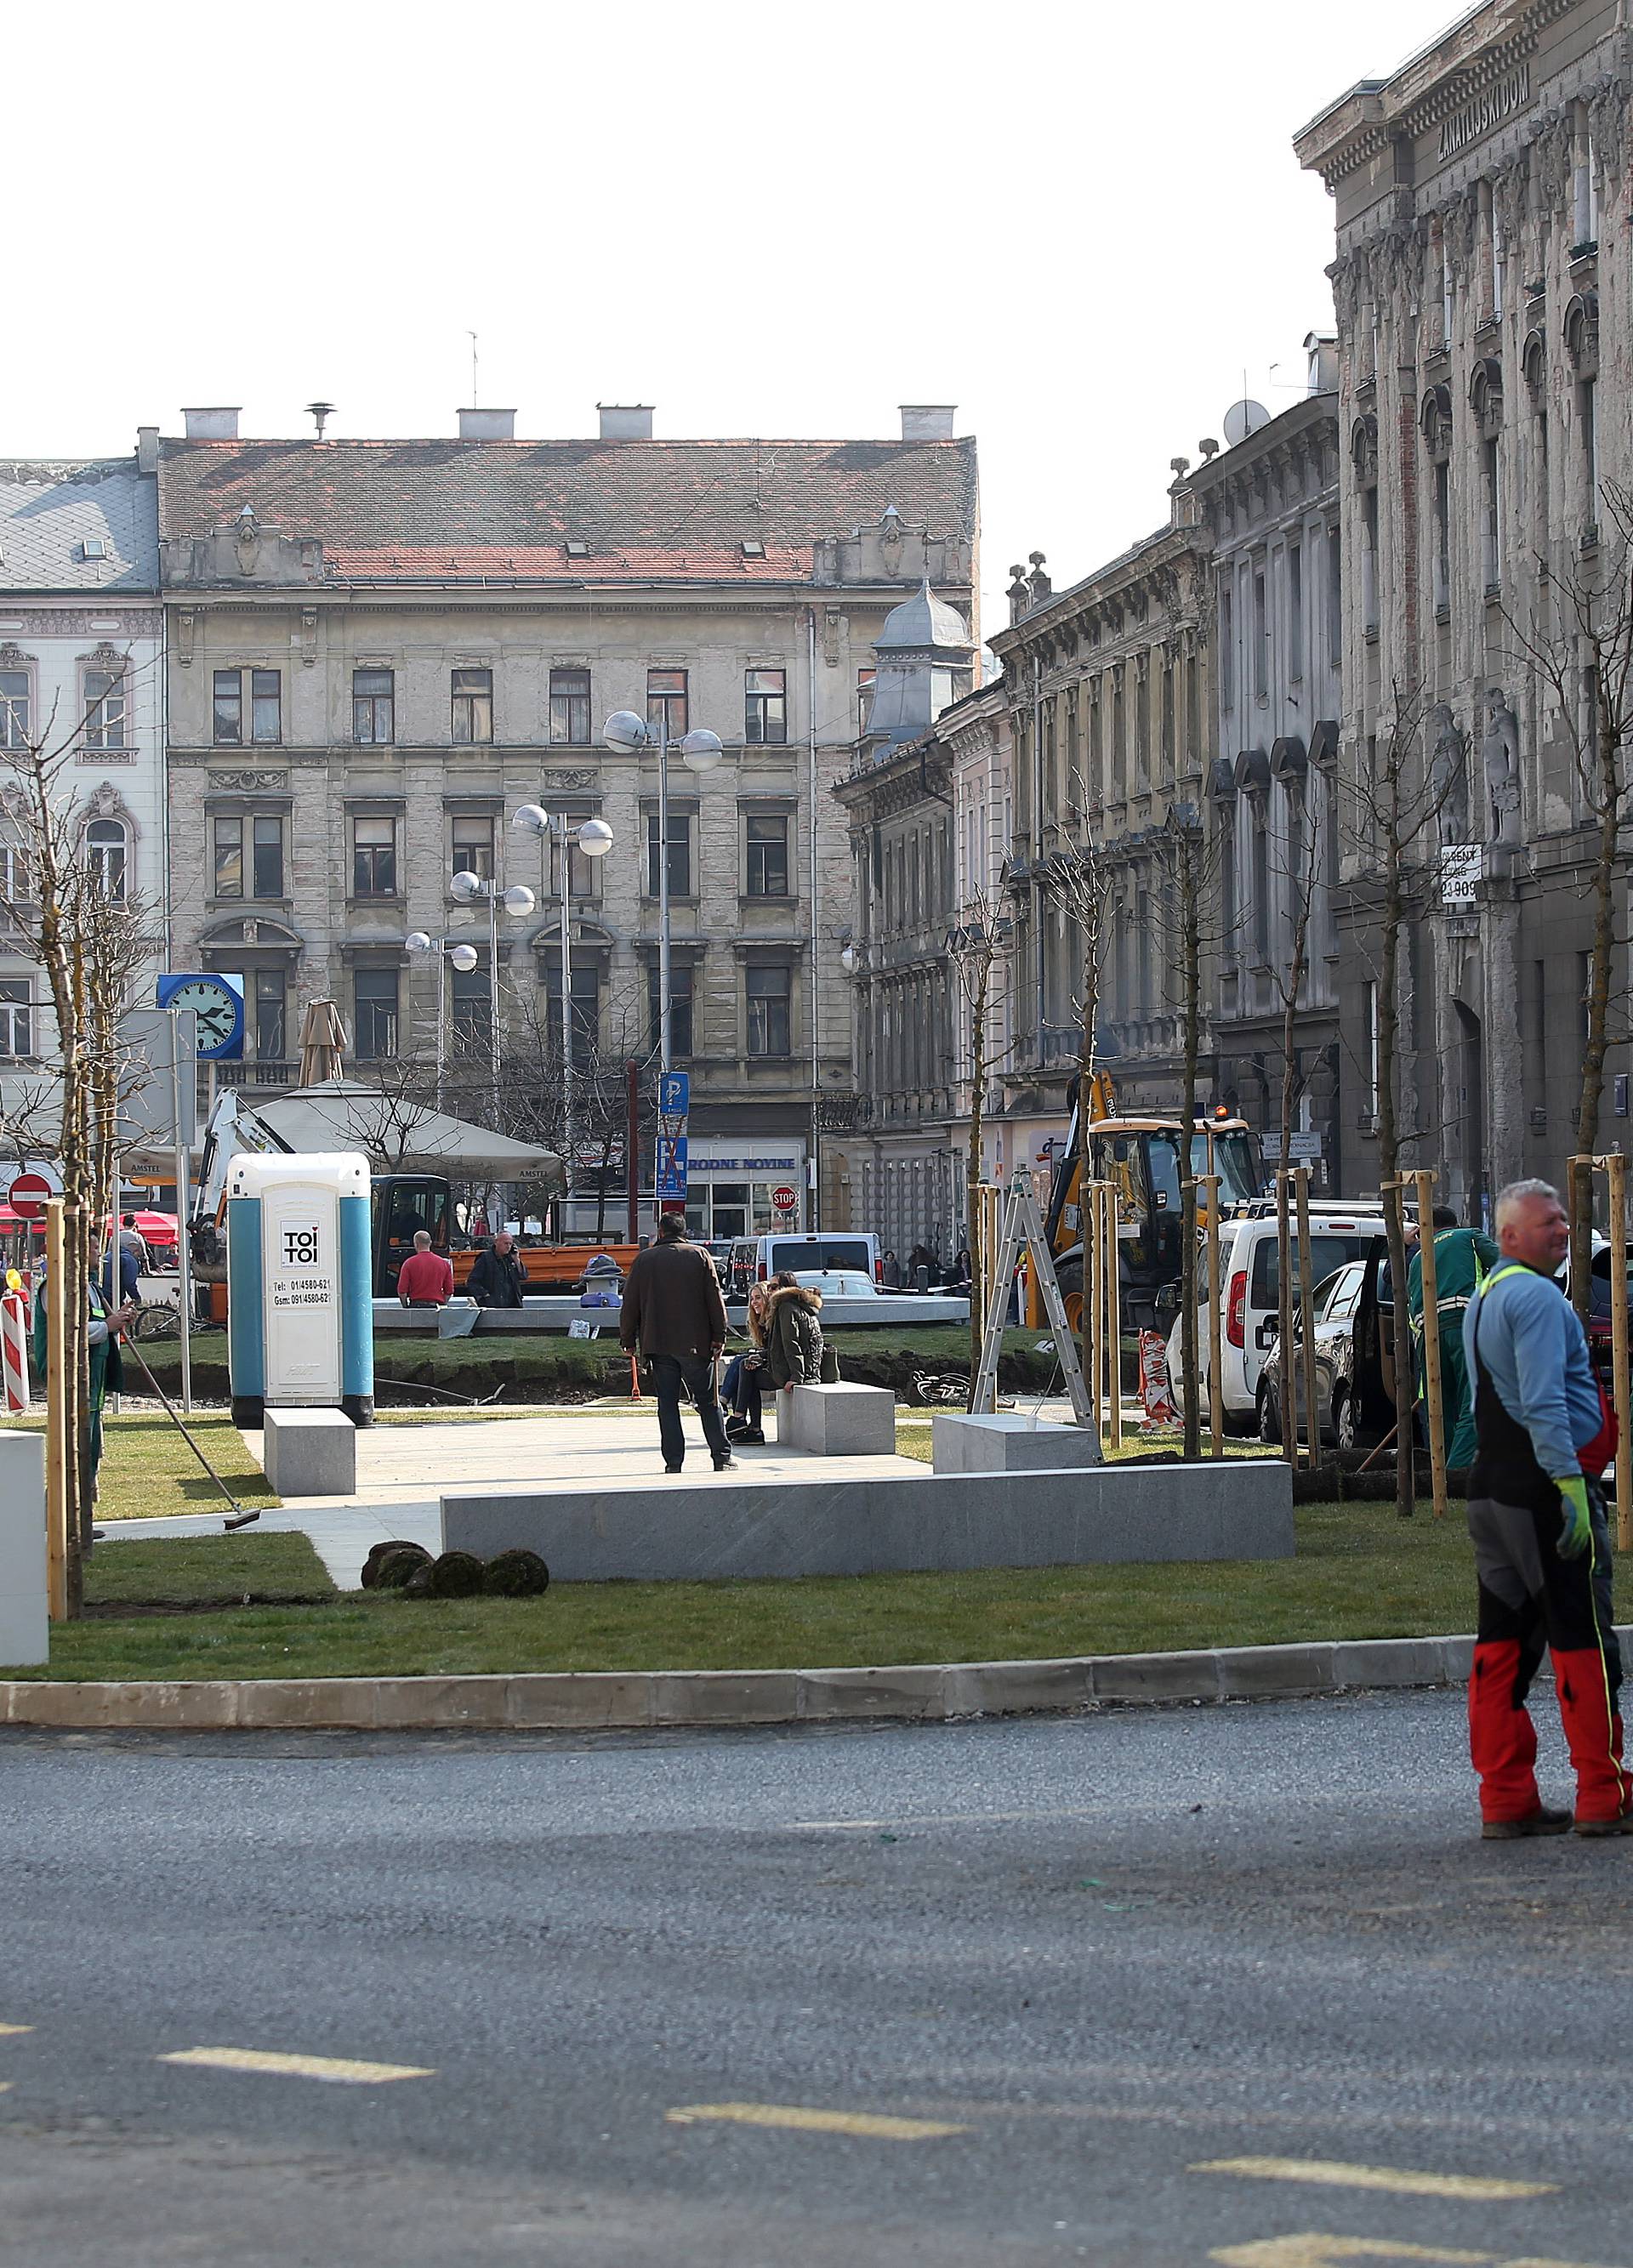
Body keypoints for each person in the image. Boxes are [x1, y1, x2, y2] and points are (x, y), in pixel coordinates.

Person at [1462, 1178, 1630, 1839]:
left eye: (1563, 1220)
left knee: (1501, 1644)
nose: (1562, 1230)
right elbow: (1542, 1401)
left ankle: (1505, 1797)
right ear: (1508, 1235)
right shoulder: (1535, 1296)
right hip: (1541, 1493)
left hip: (1491, 1490)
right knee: (1581, 1636)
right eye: (1546, 1223)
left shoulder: (1488, 1293)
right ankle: (1602, 1792)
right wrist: (1568, 1487)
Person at [619, 1214, 734, 1474]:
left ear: (660, 1232)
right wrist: (720, 1335)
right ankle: (721, 1457)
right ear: (685, 1232)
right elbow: (715, 1298)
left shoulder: (644, 1260)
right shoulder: (699, 1256)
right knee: (708, 1402)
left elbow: (630, 1304)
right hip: (696, 1344)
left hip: (658, 1343)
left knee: (667, 1405)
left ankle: (674, 1462)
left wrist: (628, 1340)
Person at [31, 1265, 136, 1506]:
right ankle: (61, 1514)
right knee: (74, 1451)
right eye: (91, 1249)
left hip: (93, 1378)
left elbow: (98, 1321)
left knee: (90, 1449)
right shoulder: (58, 1285)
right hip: (72, 1376)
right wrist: (106, 1326)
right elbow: (66, 1331)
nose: (97, 1255)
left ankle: (80, 1514)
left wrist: (118, 1318)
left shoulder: (90, 1287)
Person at [1407, 1205, 1499, 1474]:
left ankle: (1440, 1477)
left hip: (1428, 1336)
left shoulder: (1417, 1257)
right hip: (1464, 1325)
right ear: (1454, 1223)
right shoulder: (1469, 1236)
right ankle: (1455, 1472)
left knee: (1441, 1410)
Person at [721, 1280, 773, 1445]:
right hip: (770, 1364)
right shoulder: (760, 1322)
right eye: (751, 1299)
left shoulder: (774, 1320)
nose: (754, 1303)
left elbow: (778, 1350)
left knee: (744, 1367)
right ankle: (750, 1427)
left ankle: (739, 1417)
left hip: (782, 1370)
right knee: (741, 1363)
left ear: (767, 1298)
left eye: (758, 1298)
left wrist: (759, 1357)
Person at [765, 1270, 827, 1394]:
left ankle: (736, 1411)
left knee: (747, 1375)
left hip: (798, 1374)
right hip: (810, 1370)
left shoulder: (786, 1307)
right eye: (768, 1287)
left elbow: (791, 1342)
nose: (769, 1291)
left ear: (785, 1288)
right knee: (744, 1369)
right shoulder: (802, 1305)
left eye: (773, 1287)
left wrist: (796, 1377)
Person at [467, 1231, 527, 1308]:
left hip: (512, 1305)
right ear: (496, 1242)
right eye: (505, 1243)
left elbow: (523, 1276)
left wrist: (517, 1260)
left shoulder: (511, 1259)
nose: (508, 1246)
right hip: (493, 1305)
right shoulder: (486, 1258)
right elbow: (472, 1281)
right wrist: (485, 1295)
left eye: (510, 1244)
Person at [396, 1230, 454, 1306]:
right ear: (430, 1243)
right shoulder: (444, 1264)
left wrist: (405, 1306)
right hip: (435, 1307)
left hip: (416, 1306)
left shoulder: (408, 1263)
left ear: (416, 1244)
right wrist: (443, 1304)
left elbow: (402, 1291)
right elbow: (449, 1291)